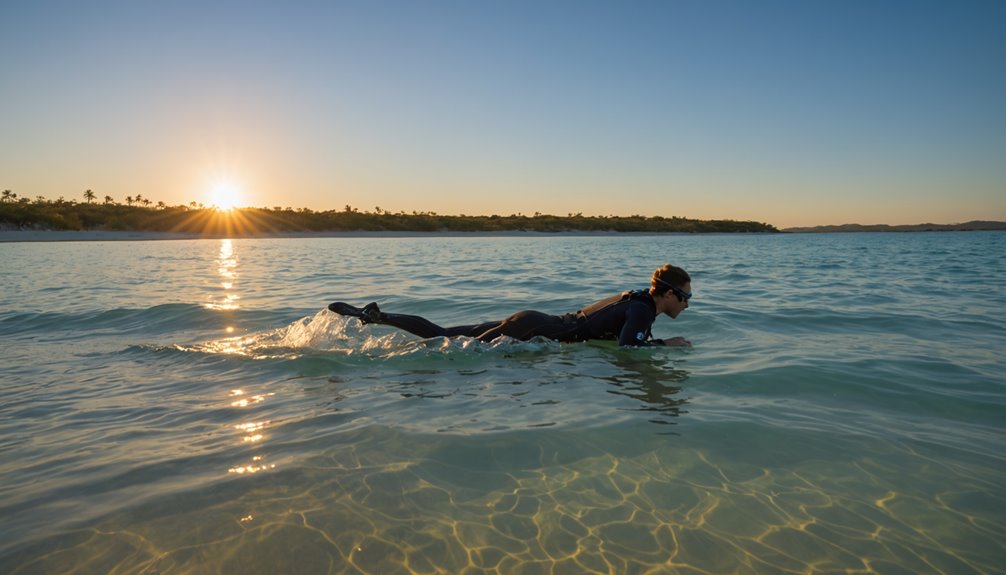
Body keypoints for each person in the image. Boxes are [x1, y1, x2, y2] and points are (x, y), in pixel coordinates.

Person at [329, 264, 692, 347]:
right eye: (686, 297)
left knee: (447, 334)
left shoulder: (636, 299)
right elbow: (628, 347)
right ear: (669, 294)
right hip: (533, 329)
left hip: (531, 320)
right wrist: (667, 346)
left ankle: (376, 316)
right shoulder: (644, 310)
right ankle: (378, 320)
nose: (688, 305)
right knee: (452, 347)